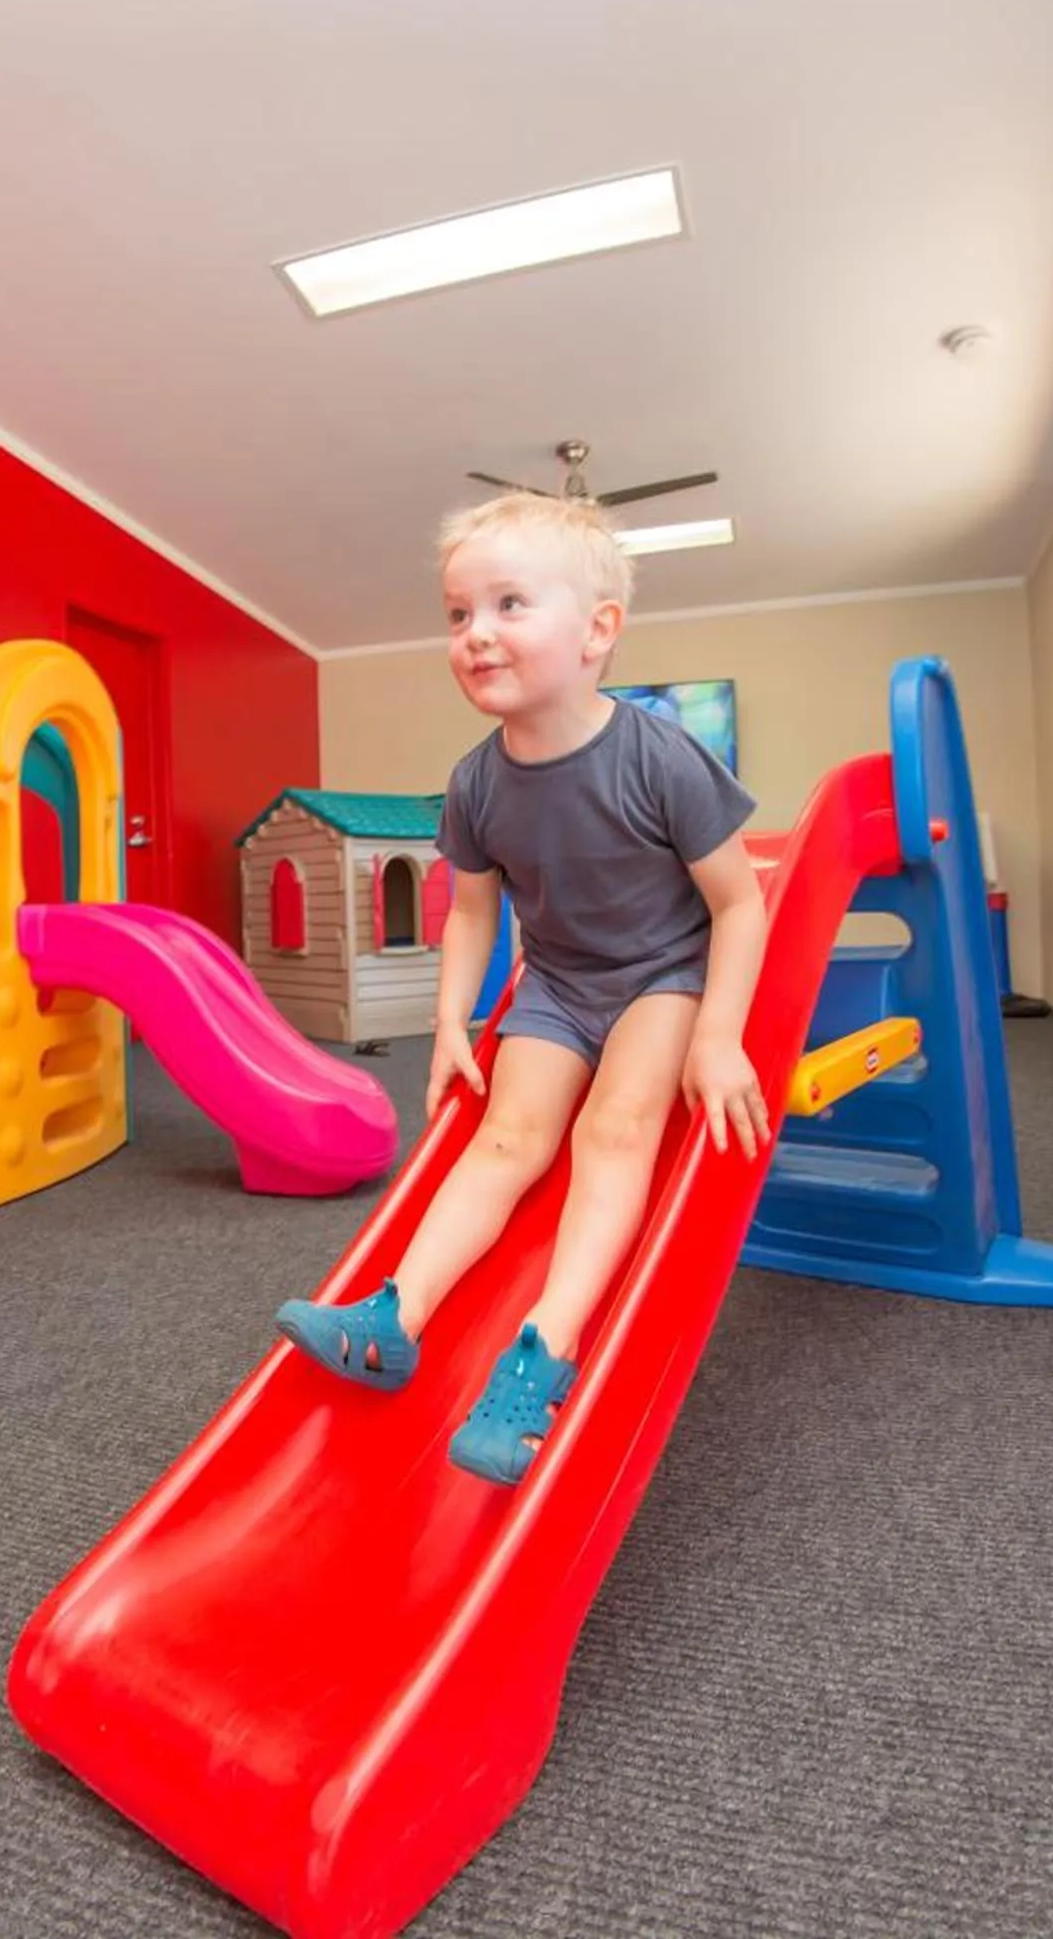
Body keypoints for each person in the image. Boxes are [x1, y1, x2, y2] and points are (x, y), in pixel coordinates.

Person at [272, 491, 771, 1486]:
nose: (475, 635)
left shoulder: (657, 752)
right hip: (557, 986)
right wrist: (449, 1015)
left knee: (615, 1129)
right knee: (506, 1134)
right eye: (459, 614)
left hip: (660, 975)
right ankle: (395, 1315)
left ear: (597, 631)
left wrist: (717, 1034)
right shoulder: (474, 783)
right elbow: (469, 912)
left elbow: (739, 903)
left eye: (507, 605)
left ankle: (544, 1347)